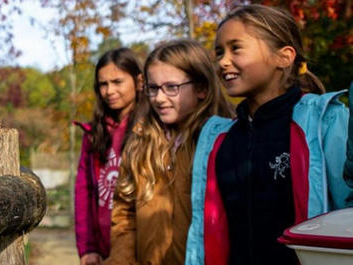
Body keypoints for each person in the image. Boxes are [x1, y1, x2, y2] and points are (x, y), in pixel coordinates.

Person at [185, 4, 353, 265]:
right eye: (219, 52)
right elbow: (203, 230)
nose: (222, 61)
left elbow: (347, 214)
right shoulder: (217, 139)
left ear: (283, 57)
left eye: (236, 48)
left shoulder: (325, 122)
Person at [104, 39, 233, 265]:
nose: (160, 98)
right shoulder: (140, 143)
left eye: (171, 87)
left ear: (202, 88)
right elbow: (124, 216)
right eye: (153, 88)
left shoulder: (224, 142)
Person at [74, 47, 143, 265]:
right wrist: (87, 248)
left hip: (141, 247)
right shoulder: (94, 134)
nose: (109, 91)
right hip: (103, 250)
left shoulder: (152, 129)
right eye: (103, 84)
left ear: (139, 81)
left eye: (117, 82)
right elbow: (83, 191)